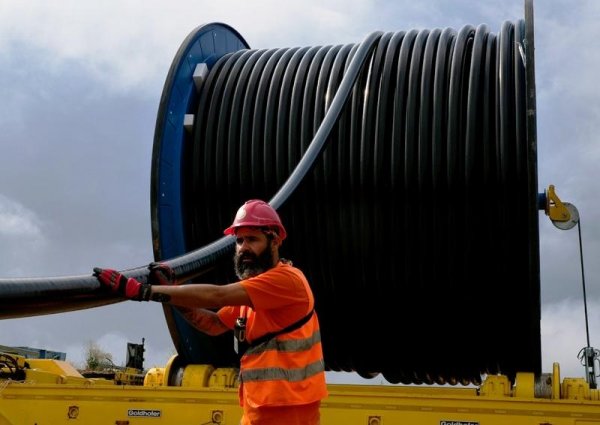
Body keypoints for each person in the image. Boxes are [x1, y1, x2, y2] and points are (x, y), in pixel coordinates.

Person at [94, 199, 328, 425]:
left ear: (274, 240)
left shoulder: (286, 281)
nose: (243, 248)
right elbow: (213, 324)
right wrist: (174, 296)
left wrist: (144, 291)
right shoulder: (253, 294)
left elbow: (218, 295)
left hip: (289, 413)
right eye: (239, 241)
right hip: (259, 409)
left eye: (252, 240)